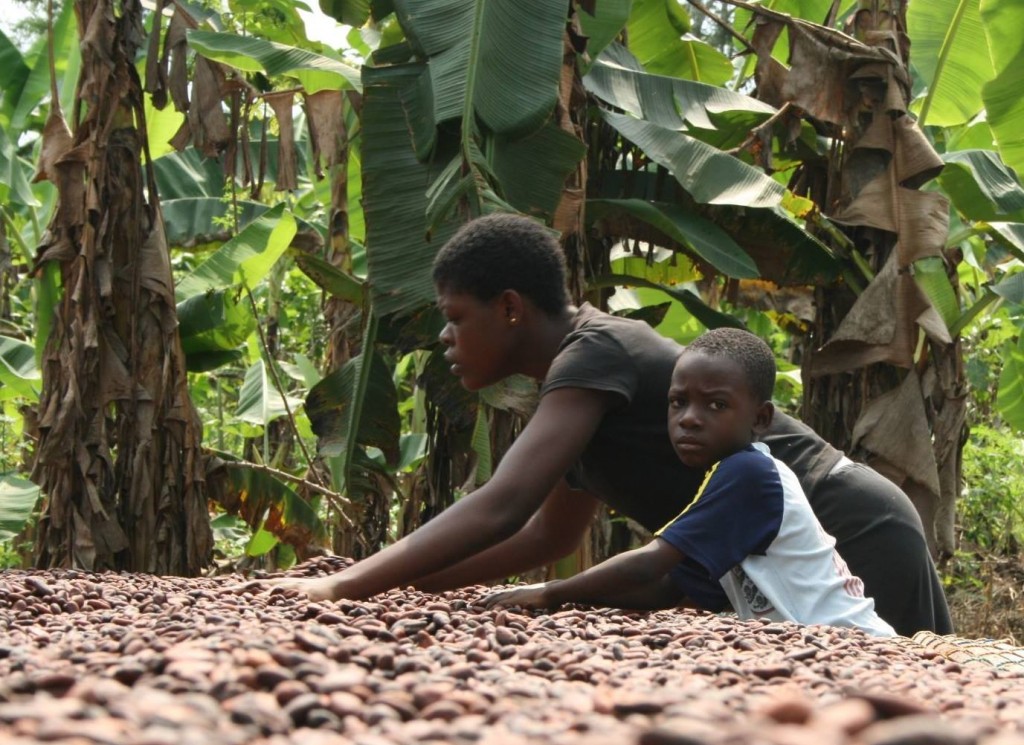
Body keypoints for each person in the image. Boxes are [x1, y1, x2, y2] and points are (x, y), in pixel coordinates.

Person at [247, 213, 950, 636]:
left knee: (921, 713)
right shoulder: (574, 386)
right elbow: (547, 534)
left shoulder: (595, 353)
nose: (446, 337)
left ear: (512, 308)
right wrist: (398, 584)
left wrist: (346, 587)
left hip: (848, 522)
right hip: (785, 555)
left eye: (456, 318)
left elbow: (503, 505)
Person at [478, 329, 897, 637]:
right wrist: (575, 603)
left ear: (761, 419)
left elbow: (650, 563)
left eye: (716, 405)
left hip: (856, 642)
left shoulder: (749, 474)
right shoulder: (728, 478)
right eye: (678, 402)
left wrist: (552, 592)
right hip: (824, 647)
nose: (689, 418)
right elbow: (664, 589)